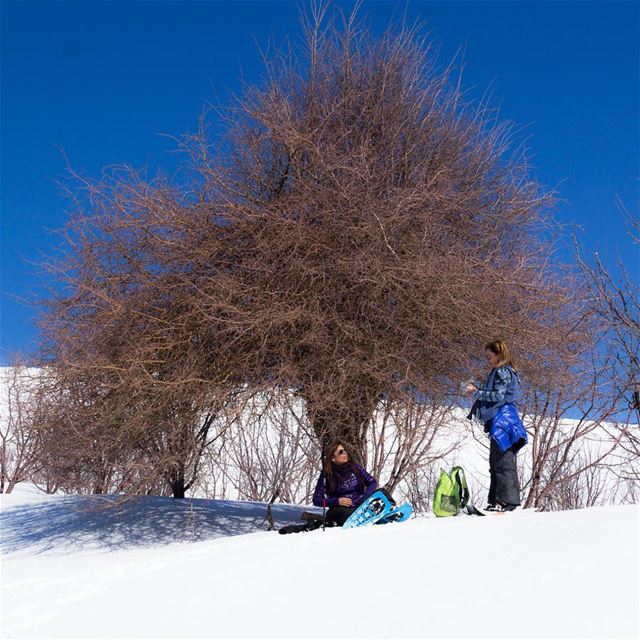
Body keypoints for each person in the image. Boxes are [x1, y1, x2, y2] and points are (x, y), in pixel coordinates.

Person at [464, 340, 527, 512]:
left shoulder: (502, 371)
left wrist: (476, 392)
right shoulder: (503, 371)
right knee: (496, 461)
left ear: (498, 354)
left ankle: (507, 501)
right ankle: (496, 500)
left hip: (503, 419)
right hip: (501, 419)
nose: (488, 359)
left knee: (502, 461)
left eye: (490, 356)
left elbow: (499, 396)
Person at [312, 441, 380, 526]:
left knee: (382, 493)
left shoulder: (355, 467)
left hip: (360, 505)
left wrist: (365, 497)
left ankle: (389, 513)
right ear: (333, 458)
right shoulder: (327, 474)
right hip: (340, 509)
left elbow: (372, 482)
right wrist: (336, 501)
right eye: (341, 452)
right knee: (346, 515)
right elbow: (316, 499)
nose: (345, 453)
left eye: (344, 450)